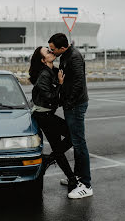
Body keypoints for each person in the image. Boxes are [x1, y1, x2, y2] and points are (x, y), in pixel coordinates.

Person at [48, 33, 93, 199]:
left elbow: (78, 84)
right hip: (71, 105)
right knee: (76, 142)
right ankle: (77, 179)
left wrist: (68, 103)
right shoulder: (65, 55)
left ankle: (86, 185)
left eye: (53, 49)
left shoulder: (73, 57)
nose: (51, 51)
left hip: (76, 106)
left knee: (79, 143)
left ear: (62, 47)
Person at [29, 46, 78, 194]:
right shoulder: (44, 75)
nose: (51, 52)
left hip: (47, 114)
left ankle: (71, 177)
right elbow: (49, 96)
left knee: (58, 148)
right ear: (43, 60)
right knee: (72, 136)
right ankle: (49, 160)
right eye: (47, 52)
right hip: (43, 116)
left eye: (50, 50)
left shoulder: (53, 71)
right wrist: (60, 84)